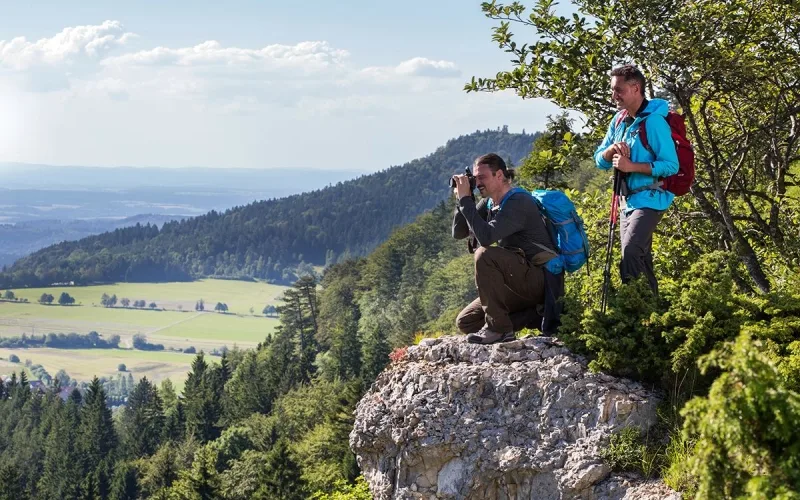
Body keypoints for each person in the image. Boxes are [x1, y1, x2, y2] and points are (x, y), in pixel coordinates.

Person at [451, 153, 563, 344]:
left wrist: (465, 201)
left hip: (540, 278)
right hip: (517, 280)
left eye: (482, 177)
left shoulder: (518, 201)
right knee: (467, 322)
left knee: (484, 254)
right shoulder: (489, 203)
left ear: (499, 175)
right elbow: (459, 232)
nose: (478, 183)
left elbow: (486, 238)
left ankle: (500, 330)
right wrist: (464, 198)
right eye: (475, 179)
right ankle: (535, 315)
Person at [594, 65, 679, 295]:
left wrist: (631, 167)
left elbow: (671, 165)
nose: (614, 96)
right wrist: (611, 150)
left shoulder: (654, 122)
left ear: (636, 88)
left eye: (618, 90)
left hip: (652, 197)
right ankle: (652, 315)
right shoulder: (619, 120)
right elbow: (599, 160)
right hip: (627, 201)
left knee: (630, 253)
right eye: (613, 90)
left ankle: (634, 309)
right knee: (640, 258)